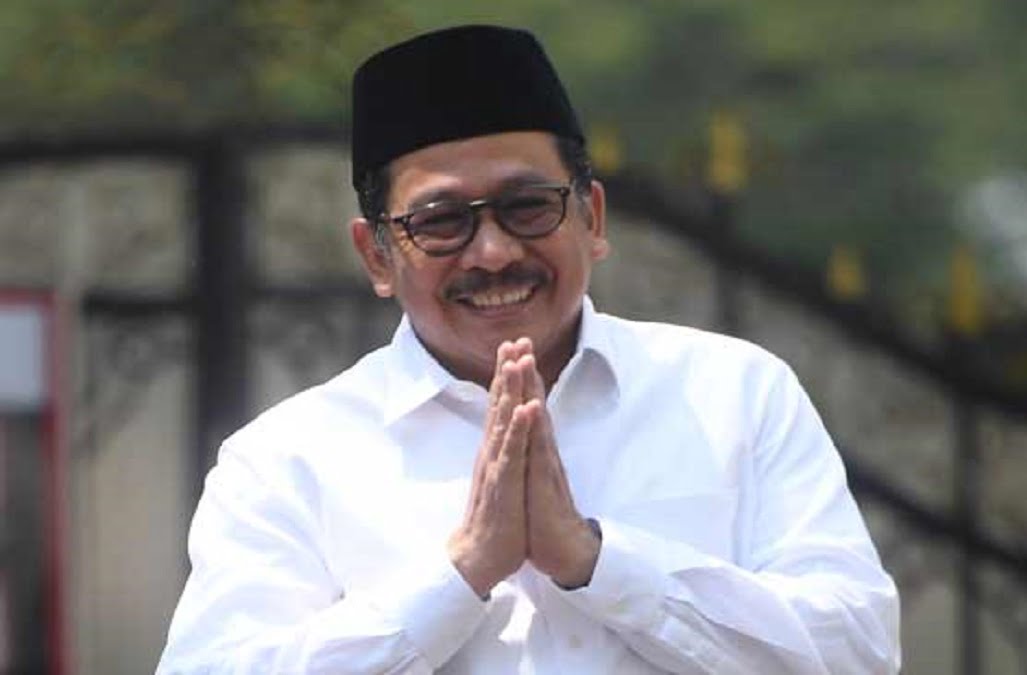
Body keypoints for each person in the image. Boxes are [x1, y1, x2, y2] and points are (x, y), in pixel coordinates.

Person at [158, 25, 900, 674]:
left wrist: (597, 560)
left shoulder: (733, 393)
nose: (493, 251)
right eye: (441, 221)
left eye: (527, 206)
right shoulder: (287, 458)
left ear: (592, 217)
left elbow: (859, 651)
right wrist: (461, 573)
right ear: (377, 255)